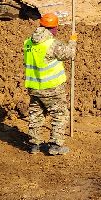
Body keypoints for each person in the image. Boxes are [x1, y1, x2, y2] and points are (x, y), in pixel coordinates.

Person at [24, 13, 77, 155]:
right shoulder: (52, 44)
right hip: (52, 88)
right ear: (53, 29)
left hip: (34, 87)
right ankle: (55, 145)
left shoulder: (28, 43)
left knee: (36, 114)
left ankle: (34, 145)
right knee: (59, 114)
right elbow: (70, 53)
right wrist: (72, 41)